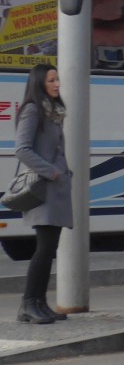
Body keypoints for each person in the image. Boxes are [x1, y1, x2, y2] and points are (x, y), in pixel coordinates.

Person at [12, 63, 73, 324]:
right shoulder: (32, 110)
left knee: (50, 248)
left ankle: (39, 302)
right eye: (51, 80)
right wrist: (52, 171)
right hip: (43, 189)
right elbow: (22, 149)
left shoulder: (53, 112)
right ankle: (28, 303)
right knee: (44, 247)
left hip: (56, 190)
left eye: (57, 79)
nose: (57, 84)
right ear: (39, 83)